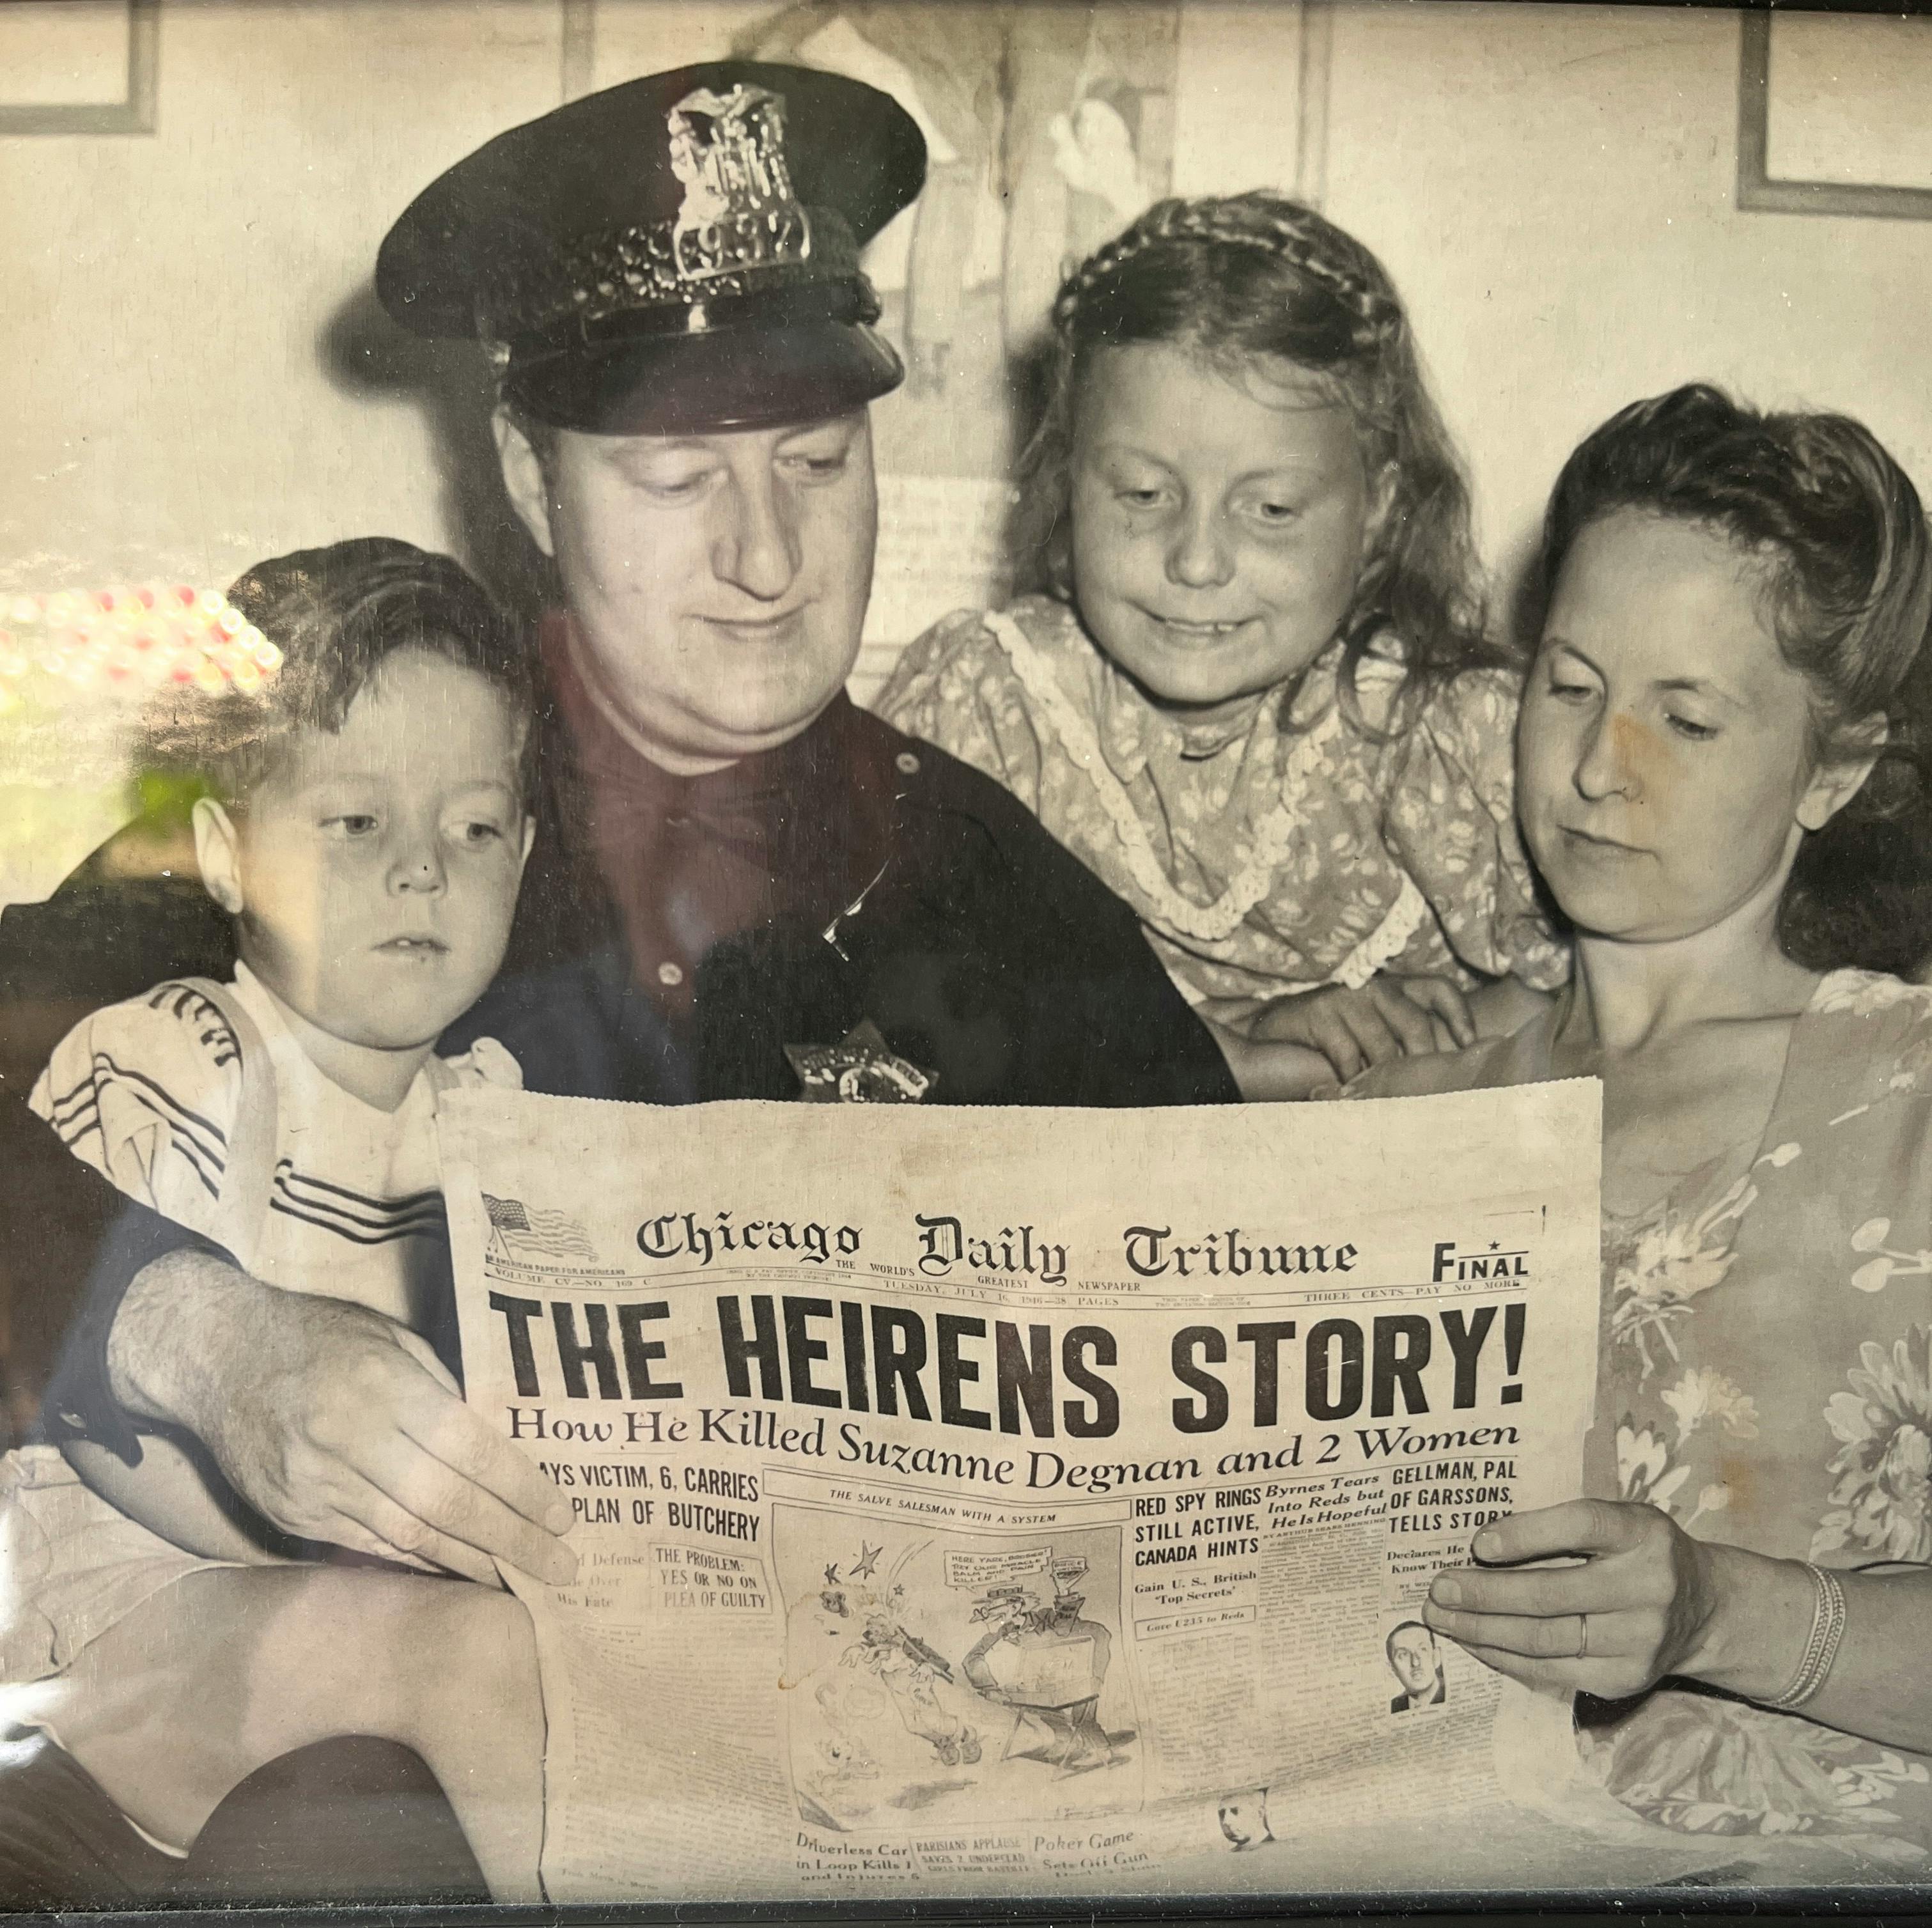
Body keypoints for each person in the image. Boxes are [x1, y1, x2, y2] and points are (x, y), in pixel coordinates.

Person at [0, 61, 1235, 1895]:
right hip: (342, 1749)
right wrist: (211, 1338)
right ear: (524, 474)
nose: (763, 557)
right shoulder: (371, 775)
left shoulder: (984, 881)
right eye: (675, 477)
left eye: (816, 466)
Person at [1350, 384, 1932, 1856]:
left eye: (1684, 715)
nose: (1600, 764)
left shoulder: (1910, 1087)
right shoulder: (1390, 1112)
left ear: (1836, 765)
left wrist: (1716, 1607)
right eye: (1565, 683)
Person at [6, 540, 552, 1896]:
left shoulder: (510, 1120)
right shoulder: (179, 1054)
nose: (424, 870)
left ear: (528, 855)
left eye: (474, 825)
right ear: (224, 853)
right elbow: (94, 1407)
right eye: (355, 823)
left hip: (340, 1638)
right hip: (111, 1627)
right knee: (481, 1657)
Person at [876, 191, 1568, 1097]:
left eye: (1271, 509)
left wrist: (1415, 1039)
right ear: (1067, 480)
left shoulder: (1454, 734)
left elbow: (1605, 990)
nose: (1195, 561)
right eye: (1140, 494)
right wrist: (1219, 1040)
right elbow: (889, 992)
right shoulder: (988, 701)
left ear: (1379, 510)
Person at [1385, 1620, 1445, 1713]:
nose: (1415, 1662)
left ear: (1436, 1657)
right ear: (1392, 1669)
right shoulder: (1393, 1708)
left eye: (1423, 1649)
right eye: (1403, 1655)